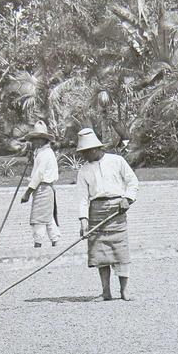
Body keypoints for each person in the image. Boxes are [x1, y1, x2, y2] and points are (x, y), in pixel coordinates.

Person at [75, 128, 139, 301]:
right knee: (100, 252)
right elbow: (82, 198)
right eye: (82, 152)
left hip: (117, 209)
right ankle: (106, 291)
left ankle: (124, 291)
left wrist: (127, 199)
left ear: (95, 149)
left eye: (86, 152)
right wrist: (83, 221)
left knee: (120, 251)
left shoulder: (117, 161)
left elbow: (132, 182)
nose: (84, 156)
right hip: (96, 210)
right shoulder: (83, 171)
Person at [20, 120, 60, 248]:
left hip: (44, 188)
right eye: (34, 139)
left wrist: (27, 193)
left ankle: (38, 244)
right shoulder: (41, 153)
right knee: (47, 217)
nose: (35, 142)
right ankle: (56, 243)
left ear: (44, 140)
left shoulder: (46, 154)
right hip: (44, 189)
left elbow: (39, 175)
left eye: (38, 139)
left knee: (39, 218)